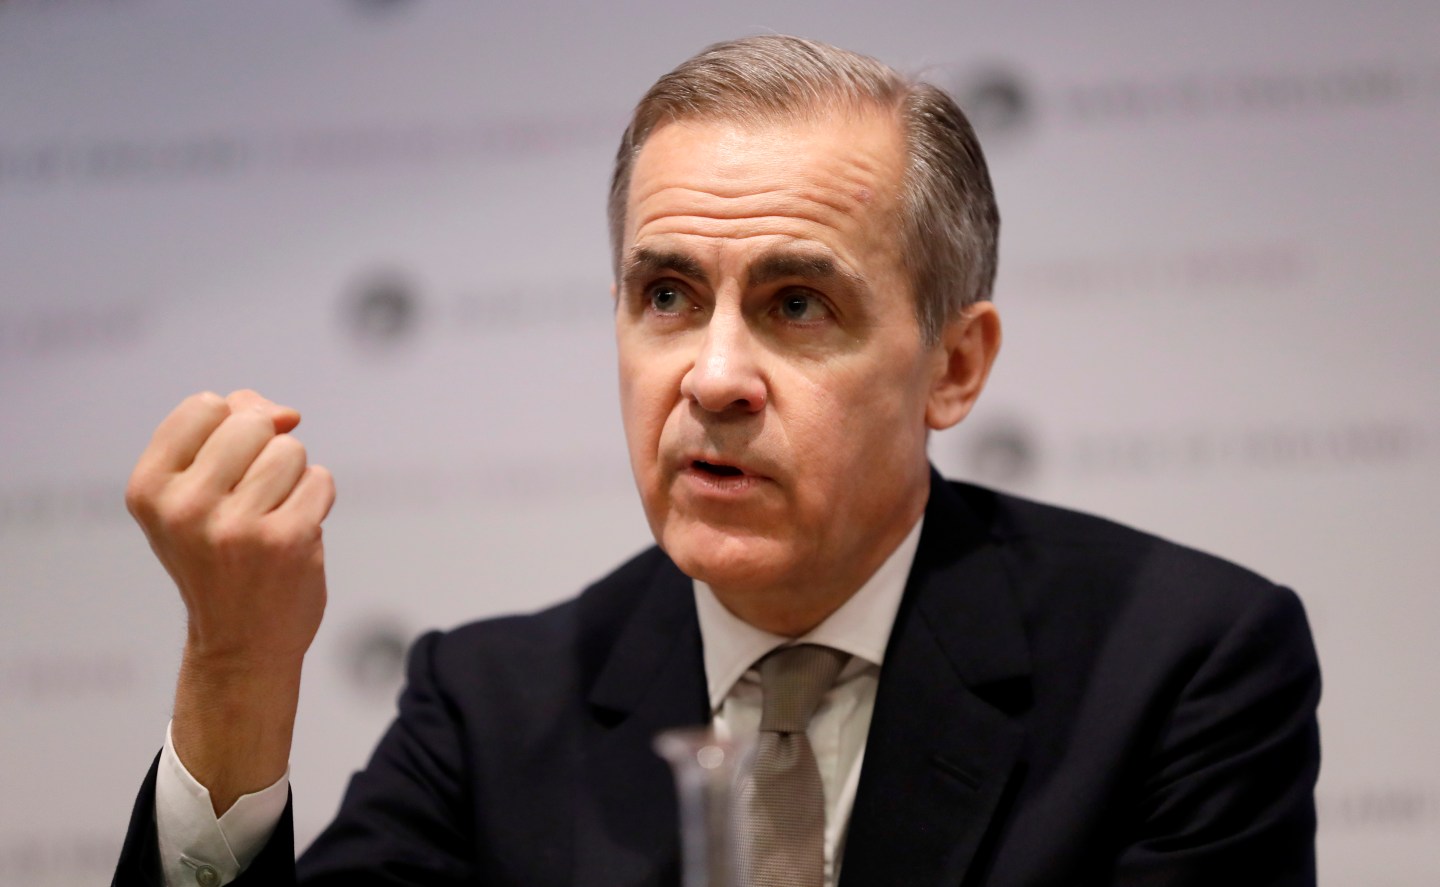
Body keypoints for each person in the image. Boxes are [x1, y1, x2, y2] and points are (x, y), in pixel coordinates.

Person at [112, 35, 1320, 887]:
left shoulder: (1182, 667)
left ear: (954, 366)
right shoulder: (491, 708)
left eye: (797, 303)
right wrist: (237, 667)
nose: (713, 375)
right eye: (668, 294)